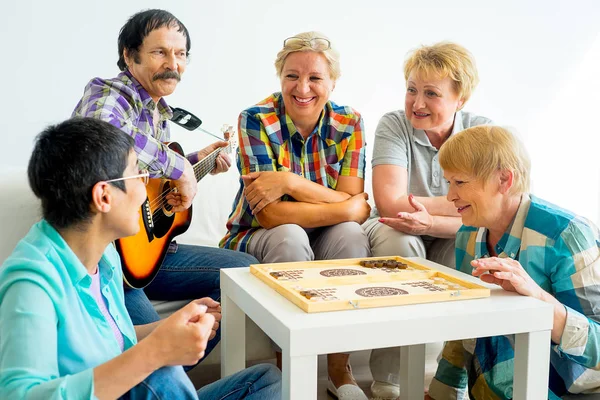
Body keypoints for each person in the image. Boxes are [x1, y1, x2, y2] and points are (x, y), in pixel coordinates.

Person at [0, 117, 281, 399]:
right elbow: (20, 394)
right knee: (160, 376)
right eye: (138, 176)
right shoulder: (31, 283)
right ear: (104, 197)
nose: (144, 191)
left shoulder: (105, 254)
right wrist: (154, 353)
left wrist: (167, 329)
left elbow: (111, 342)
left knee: (266, 380)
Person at [72, 9, 258, 357]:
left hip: (150, 254)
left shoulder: (159, 112)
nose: (173, 63)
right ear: (130, 55)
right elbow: (104, 135)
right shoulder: (109, 93)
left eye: (181, 54)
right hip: (109, 256)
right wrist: (179, 168)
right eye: (160, 52)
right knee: (151, 355)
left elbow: (145, 178)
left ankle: (169, 378)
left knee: (246, 275)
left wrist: (195, 163)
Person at [219, 32, 371, 400]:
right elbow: (270, 214)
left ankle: (338, 368)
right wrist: (345, 205)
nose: (302, 88)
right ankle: (289, 366)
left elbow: (356, 206)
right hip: (258, 233)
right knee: (290, 235)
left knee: (352, 234)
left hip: (324, 232)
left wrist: (290, 181)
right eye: (291, 76)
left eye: (315, 78)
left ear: (332, 82)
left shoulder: (349, 122)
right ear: (280, 77)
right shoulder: (255, 119)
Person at [425, 125, 600, 399]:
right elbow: (464, 326)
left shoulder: (568, 236)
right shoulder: (468, 235)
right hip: (494, 389)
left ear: (504, 180)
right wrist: (441, 393)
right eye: (449, 183)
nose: (450, 196)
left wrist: (539, 301)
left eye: (459, 182)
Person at [363, 42, 493, 398]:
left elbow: (486, 210)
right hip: (393, 227)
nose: (416, 104)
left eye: (431, 94)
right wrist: (459, 203)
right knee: (401, 245)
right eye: (411, 90)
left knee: (472, 251)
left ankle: (452, 379)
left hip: (452, 232)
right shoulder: (394, 124)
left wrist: (431, 219)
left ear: (460, 99)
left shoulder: (482, 133)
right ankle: (389, 378)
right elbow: (390, 204)